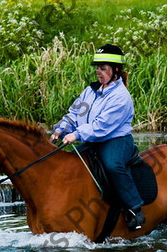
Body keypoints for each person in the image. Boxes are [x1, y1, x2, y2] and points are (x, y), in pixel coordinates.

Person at [50, 44, 146, 231]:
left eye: (103, 68)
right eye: (97, 68)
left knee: (112, 166)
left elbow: (102, 126)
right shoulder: (90, 91)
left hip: (115, 141)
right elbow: (75, 113)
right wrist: (61, 129)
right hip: (93, 140)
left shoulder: (120, 96)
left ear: (116, 70)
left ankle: (135, 209)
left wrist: (76, 134)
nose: (98, 72)